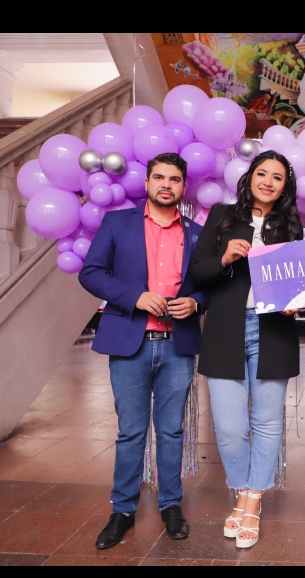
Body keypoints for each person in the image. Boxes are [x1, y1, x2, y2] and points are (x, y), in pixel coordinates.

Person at [78, 152, 207, 550]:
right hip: (129, 343)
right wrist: (134, 297)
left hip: (177, 346)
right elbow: (90, 272)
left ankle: (171, 505)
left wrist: (196, 302)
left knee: (171, 431)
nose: (166, 184)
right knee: (131, 432)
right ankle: (122, 510)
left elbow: (209, 283)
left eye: (174, 179)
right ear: (148, 183)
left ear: (184, 187)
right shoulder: (118, 223)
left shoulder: (198, 233)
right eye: (159, 178)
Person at [188, 150, 303, 550]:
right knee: (229, 427)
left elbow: (300, 281)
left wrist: (295, 301)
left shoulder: (290, 226)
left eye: (277, 177)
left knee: (267, 422)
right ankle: (242, 489)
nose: (268, 182)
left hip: (274, 331)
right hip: (226, 329)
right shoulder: (222, 216)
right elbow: (197, 272)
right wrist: (223, 258)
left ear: (285, 187)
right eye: (262, 174)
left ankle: (251, 501)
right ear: (250, 178)